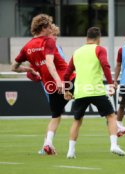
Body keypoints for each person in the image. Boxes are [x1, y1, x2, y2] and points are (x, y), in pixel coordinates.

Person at [11, 14, 75, 155]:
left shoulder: (27, 47)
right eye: (49, 26)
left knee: (56, 116)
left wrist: (28, 69)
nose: (51, 29)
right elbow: (50, 63)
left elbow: (14, 67)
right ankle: (115, 125)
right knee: (94, 96)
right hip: (67, 79)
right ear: (43, 27)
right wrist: (59, 81)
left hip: (49, 86)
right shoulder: (48, 41)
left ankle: (47, 144)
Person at [63, 27, 125, 159]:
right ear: (99, 38)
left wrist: (67, 90)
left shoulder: (77, 52)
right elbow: (105, 65)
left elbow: (67, 73)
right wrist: (111, 83)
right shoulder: (99, 49)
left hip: (80, 92)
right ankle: (114, 145)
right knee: (111, 116)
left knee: (77, 121)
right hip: (96, 90)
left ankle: (70, 150)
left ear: (87, 37)